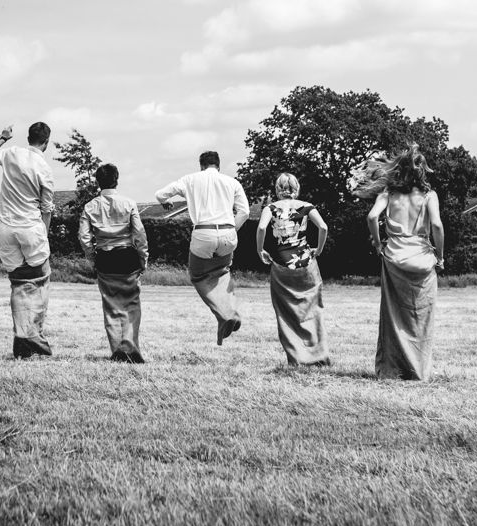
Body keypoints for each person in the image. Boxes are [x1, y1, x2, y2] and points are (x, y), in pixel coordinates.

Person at [355, 146, 444, 381]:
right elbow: (436, 225)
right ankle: (419, 369)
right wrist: (441, 256)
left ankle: (392, 369)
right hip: (422, 256)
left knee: (393, 315)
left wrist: (377, 244)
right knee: (421, 315)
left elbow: (372, 217)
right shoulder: (428, 195)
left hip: (394, 254)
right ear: (423, 171)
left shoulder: (388, 193)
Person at [155, 151, 250, 345]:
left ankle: (224, 316)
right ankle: (230, 311)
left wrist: (165, 202)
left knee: (198, 276)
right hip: (228, 233)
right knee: (223, 273)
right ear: (219, 165)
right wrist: (231, 229)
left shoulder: (190, 179)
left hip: (203, 233)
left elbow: (160, 194)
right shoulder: (232, 182)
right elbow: (245, 212)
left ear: (201, 165)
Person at [0, 123, 54, 359]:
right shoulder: (44, 168)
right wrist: (45, 233)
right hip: (31, 227)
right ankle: (33, 334)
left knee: (18, 284)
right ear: (46, 142)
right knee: (41, 280)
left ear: (28, 137)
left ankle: (21, 341)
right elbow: (47, 208)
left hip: (6, 229)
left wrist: (2, 138)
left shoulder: (11, 153)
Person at [256, 173, 330, 366]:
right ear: (296, 188)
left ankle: (296, 358)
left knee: (285, 313)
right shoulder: (306, 206)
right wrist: (318, 250)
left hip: (281, 264)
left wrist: (260, 250)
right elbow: (323, 227)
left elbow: (262, 228)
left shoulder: (270, 208)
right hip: (306, 262)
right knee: (313, 310)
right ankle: (319, 356)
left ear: (277, 190)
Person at [78, 163, 149, 363]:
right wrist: (143, 258)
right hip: (127, 256)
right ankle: (130, 346)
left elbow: (84, 237)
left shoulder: (90, 206)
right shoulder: (129, 203)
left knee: (111, 305)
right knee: (132, 304)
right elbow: (140, 234)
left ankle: (118, 348)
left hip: (105, 258)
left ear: (98, 182)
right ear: (116, 179)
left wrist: (93, 259)